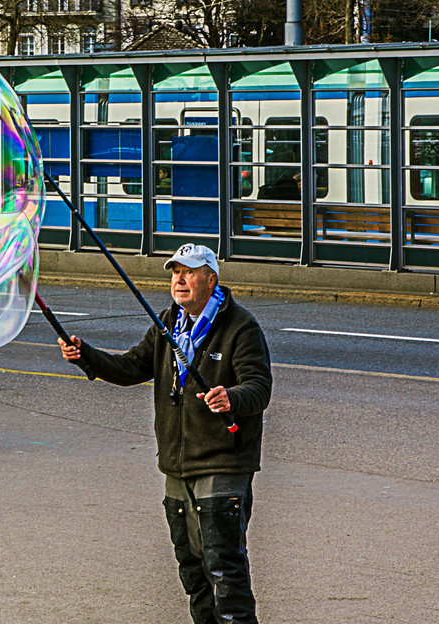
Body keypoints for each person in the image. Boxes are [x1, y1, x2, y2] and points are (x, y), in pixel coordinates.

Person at [59, 243, 272, 624]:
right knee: (193, 571)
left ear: (211, 279)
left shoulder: (241, 327)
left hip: (222, 464)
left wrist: (231, 397)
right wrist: (86, 354)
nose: (179, 280)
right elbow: (130, 367)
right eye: (175, 272)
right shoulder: (166, 325)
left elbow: (259, 387)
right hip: (177, 465)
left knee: (224, 569)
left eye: (189, 272)